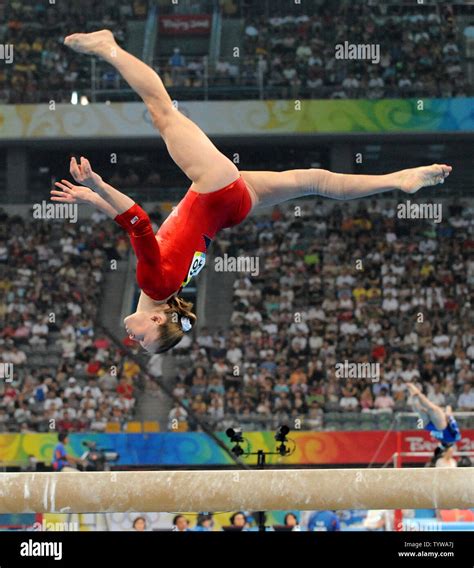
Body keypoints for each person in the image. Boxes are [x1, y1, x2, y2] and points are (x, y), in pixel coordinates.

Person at [55, 30, 452, 355]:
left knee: (315, 181)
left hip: (232, 208)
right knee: (162, 111)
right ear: (158, 319)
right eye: (143, 340)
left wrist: (92, 199)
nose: (133, 338)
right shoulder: (156, 287)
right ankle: (108, 46)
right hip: (215, 189)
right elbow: (139, 223)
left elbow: (152, 236)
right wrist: (98, 184)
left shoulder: (167, 291)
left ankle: (397, 179)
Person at [407, 383, 461, 449]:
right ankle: (416, 395)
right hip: (430, 426)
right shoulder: (451, 439)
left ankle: (417, 394)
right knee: (421, 410)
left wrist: (448, 415)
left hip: (436, 426)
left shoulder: (455, 438)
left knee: (430, 409)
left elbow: (451, 421)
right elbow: (450, 421)